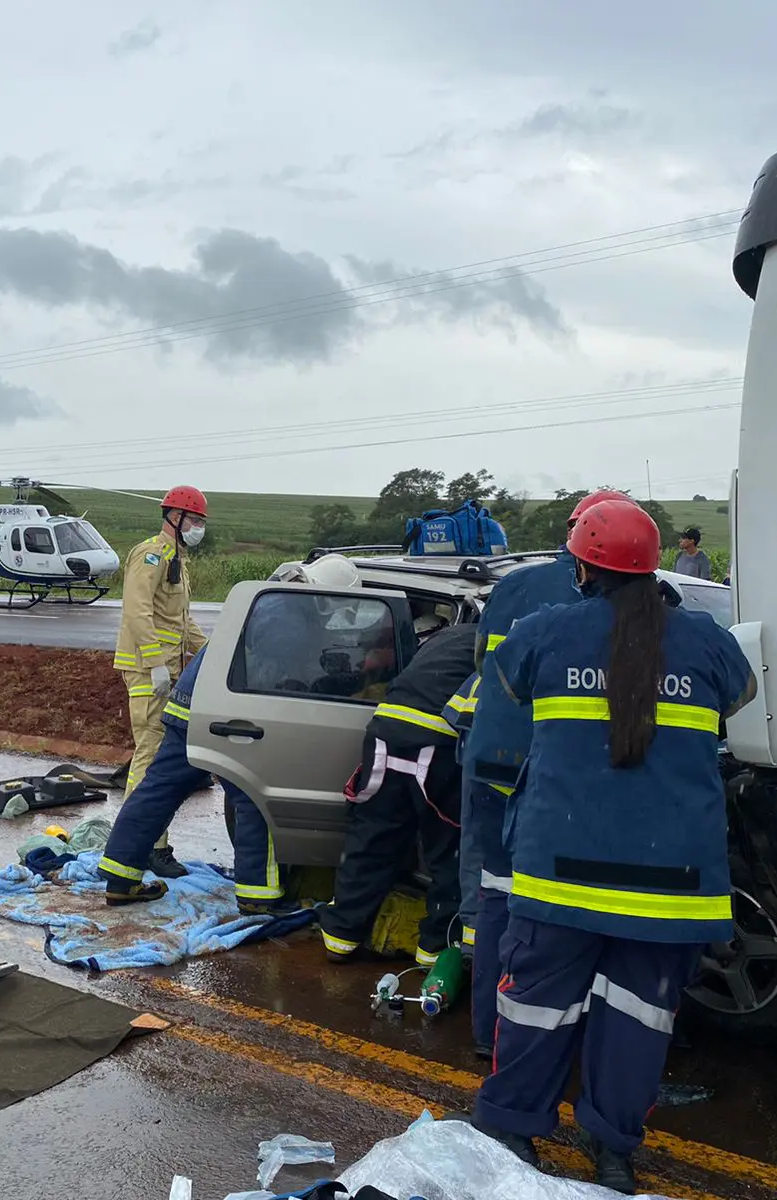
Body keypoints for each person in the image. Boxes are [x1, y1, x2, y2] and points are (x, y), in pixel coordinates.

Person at [466, 500, 755, 1193]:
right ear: (657, 565)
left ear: (581, 566)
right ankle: (614, 1154)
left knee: (534, 1008)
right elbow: (740, 700)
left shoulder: (544, 633)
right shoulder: (710, 642)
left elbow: (505, 683)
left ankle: (511, 1131)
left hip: (561, 876)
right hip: (673, 885)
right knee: (638, 1019)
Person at [459, 488, 638, 1059]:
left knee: (497, 896)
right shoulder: (627, 602)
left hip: (493, 763)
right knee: (569, 910)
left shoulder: (515, 585)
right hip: (558, 776)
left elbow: (487, 668)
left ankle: (491, 1031)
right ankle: (559, 1035)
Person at [99, 554, 365, 910]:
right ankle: (258, 897)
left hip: (191, 706)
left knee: (159, 790)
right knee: (256, 799)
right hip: (229, 715)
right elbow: (290, 679)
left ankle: (119, 878)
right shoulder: (291, 618)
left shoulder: (272, 601)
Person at [317, 611, 476, 968]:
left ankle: (341, 937)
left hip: (385, 733)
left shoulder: (444, 640)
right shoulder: (497, 643)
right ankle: (435, 950)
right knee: (447, 851)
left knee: (371, 838)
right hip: (436, 742)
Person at [112, 485, 210, 878]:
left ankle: (145, 842)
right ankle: (148, 846)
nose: (199, 528)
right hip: (146, 670)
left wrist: (215, 652)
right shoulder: (151, 554)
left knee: (154, 757)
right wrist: (154, 664)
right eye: (195, 521)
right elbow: (137, 612)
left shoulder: (176, 560)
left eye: (202, 522)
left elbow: (181, 623)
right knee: (150, 758)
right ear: (175, 517)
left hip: (166, 671)